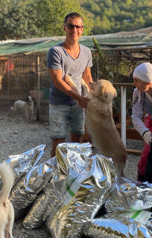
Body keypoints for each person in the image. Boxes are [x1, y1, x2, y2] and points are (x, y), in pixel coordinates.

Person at [47, 12, 93, 157]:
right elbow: (58, 81)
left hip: (78, 104)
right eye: (71, 26)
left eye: (78, 27)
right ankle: (53, 175)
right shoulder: (56, 52)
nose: (75, 30)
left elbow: (87, 77)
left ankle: (73, 175)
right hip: (59, 104)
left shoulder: (86, 52)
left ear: (82, 29)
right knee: (58, 142)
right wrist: (79, 98)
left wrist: (92, 98)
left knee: (77, 140)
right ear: (64, 28)